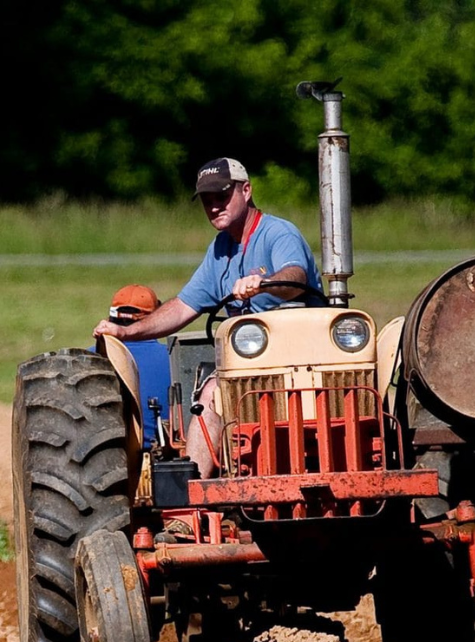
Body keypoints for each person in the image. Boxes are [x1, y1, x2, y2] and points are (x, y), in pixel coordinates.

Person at [92, 157, 324, 477]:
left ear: (246, 190)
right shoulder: (220, 250)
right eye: (207, 200)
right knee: (210, 393)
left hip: (304, 358)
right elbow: (183, 307)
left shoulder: (277, 233)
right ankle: (194, 500)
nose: (214, 206)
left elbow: (296, 277)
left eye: (222, 196)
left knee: (216, 389)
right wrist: (126, 332)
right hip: (248, 366)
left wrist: (265, 283)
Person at [93, 284, 172, 450]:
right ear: (156, 320)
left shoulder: (89, 358)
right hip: (163, 454)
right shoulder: (174, 357)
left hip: (105, 454)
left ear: (110, 318)